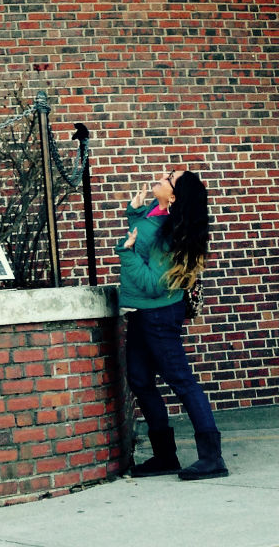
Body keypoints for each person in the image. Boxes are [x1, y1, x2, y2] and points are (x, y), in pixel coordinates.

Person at [116, 165, 228, 480]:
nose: (162, 177)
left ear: (175, 196)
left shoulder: (170, 232)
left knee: (181, 381)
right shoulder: (155, 214)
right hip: (142, 312)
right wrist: (134, 214)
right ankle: (165, 456)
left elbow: (153, 281)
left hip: (159, 314)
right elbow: (144, 245)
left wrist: (123, 254)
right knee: (139, 379)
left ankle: (212, 457)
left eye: (169, 179)